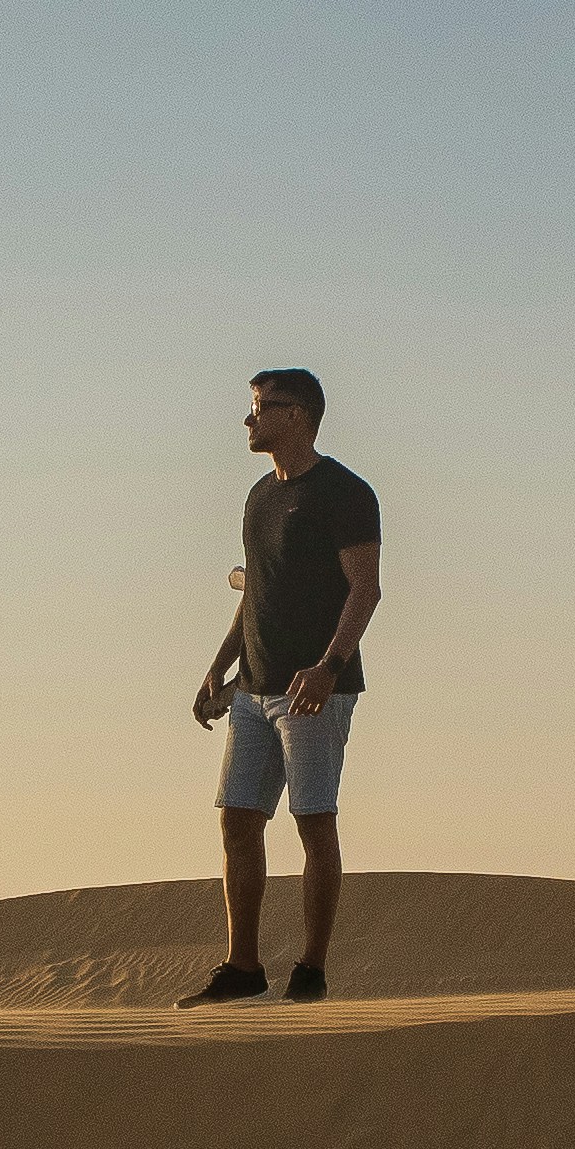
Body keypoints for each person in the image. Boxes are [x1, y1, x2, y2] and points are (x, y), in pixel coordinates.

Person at [182, 368, 380, 1006]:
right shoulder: (258, 497)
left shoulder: (345, 492)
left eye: (263, 408)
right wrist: (221, 665)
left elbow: (365, 588)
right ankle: (243, 967)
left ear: (297, 416)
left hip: (314, 689)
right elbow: (257, 594)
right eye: (253, 407)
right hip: (255, 688)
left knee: (313, 823)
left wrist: (329, 665)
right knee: (237, 818)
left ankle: (310, 971)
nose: (250, 420)